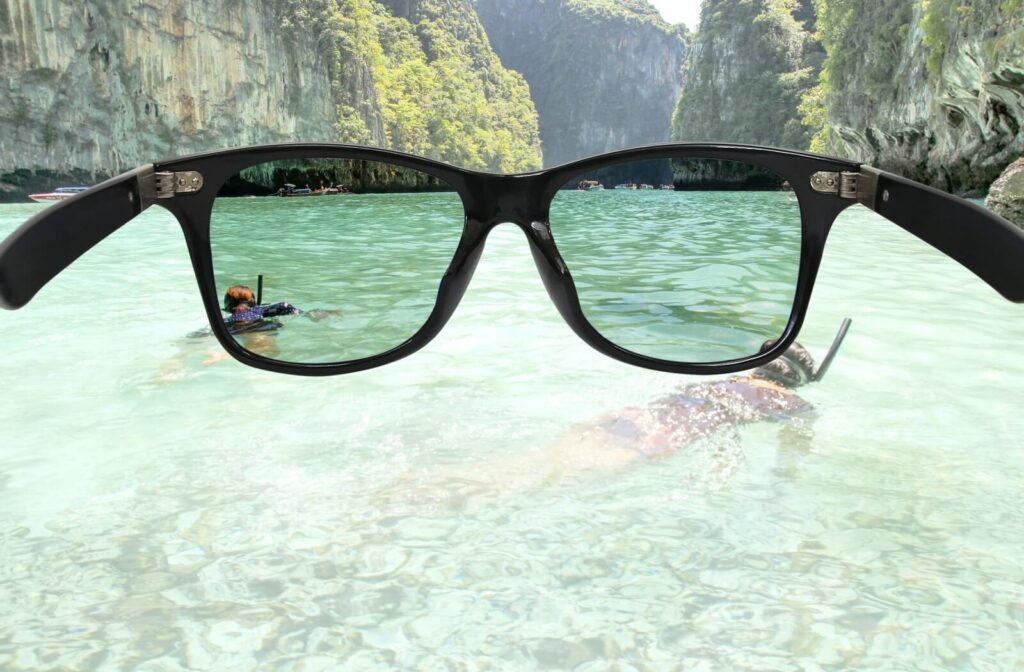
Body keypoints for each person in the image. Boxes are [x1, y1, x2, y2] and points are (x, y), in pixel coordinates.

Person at [392, 341, 827, 502]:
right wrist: (783, 486)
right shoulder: (782, 400)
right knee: (527, 485)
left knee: (531, 464)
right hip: (648, 439)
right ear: (794, 381)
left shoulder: (725, 380)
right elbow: (794, 449)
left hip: (623, 419)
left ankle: (411, 486)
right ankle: (411, 497)